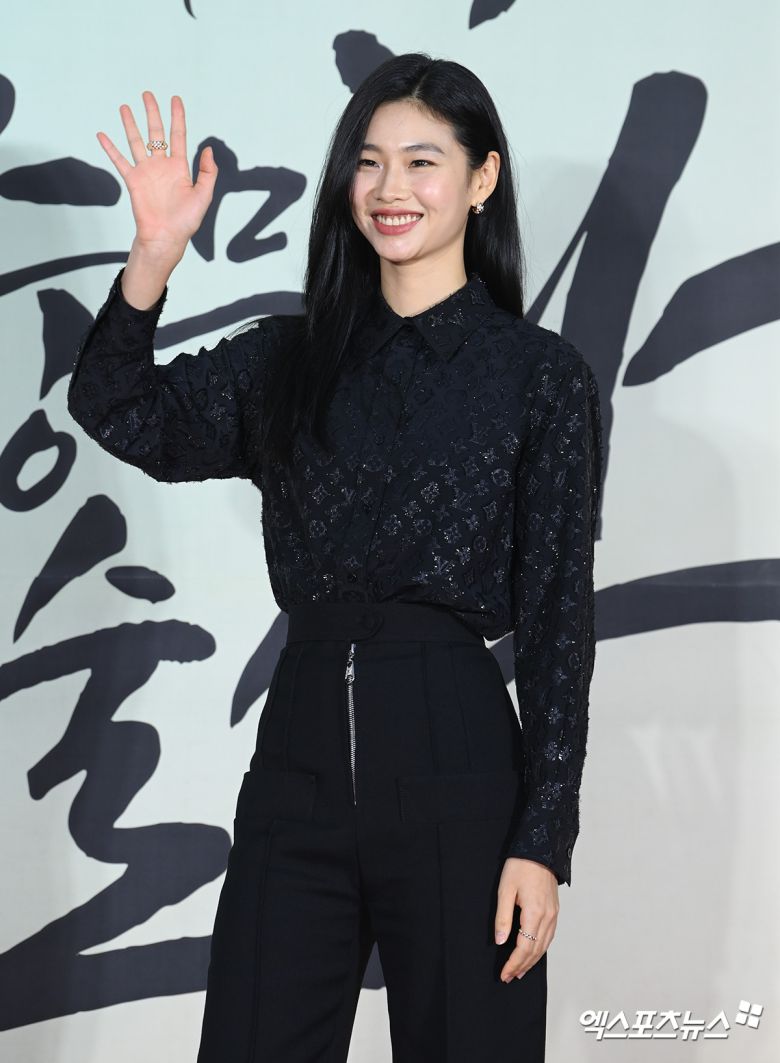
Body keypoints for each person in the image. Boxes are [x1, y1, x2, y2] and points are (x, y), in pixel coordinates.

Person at [67, 52, 603, 1063]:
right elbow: (119, 409)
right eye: (369, 161)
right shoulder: (287, 357)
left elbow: (559, 620)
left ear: (482, 178)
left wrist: (542, 839)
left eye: (422, 161)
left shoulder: (538, 377)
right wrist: (154, 256)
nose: (391, 188)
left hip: (457, 763)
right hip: (299, 761)